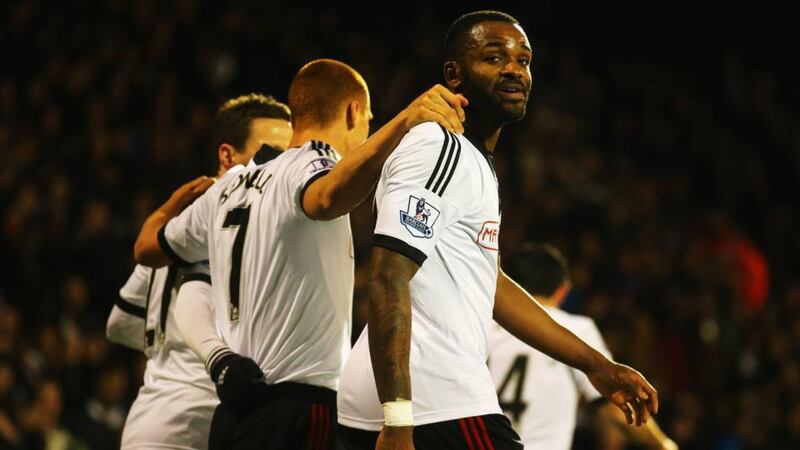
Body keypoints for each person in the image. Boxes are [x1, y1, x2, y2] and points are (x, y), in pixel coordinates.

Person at [336, 10, 659, 450]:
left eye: (524, 60)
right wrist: (398, 420)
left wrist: (595, 365)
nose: (514, 69)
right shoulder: (439, 147)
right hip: (431, 403)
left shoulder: (472, 162)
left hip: (410, 404)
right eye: (494, 57)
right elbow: (388, 274)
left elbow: (492, 286)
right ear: (454, 73)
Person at [132, 59, 467, 449]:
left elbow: (147, 249)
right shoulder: (313, 160)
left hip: (233, 412)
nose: (366, 132)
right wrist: (405, 121)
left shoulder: (227, 188)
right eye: (369, 122)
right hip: (299, 410)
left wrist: (168, 206)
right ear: (352, 112)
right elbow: (326, 197)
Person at [106, 94, 292, 450]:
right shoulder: (238, 217)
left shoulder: (177, 227)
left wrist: (168, 355)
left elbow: (120, 323)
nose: (281, 164)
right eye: (272, 151)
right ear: (227, 155)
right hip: (207, 420)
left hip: (152, 421)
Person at [489, 244, 678, 450]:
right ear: (563, 291)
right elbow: (611, 407)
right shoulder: (576, 329)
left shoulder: (483, 325)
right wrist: (663, 445)